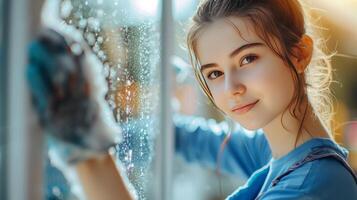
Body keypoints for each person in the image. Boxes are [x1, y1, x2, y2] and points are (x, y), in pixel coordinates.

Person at [27, 0, 357, 199]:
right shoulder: (273, 153)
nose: (231, 88)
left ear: (300, 54)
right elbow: (186, 137)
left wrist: (86, 139)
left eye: (247, 60)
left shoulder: (314, 185)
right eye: (214, 73)